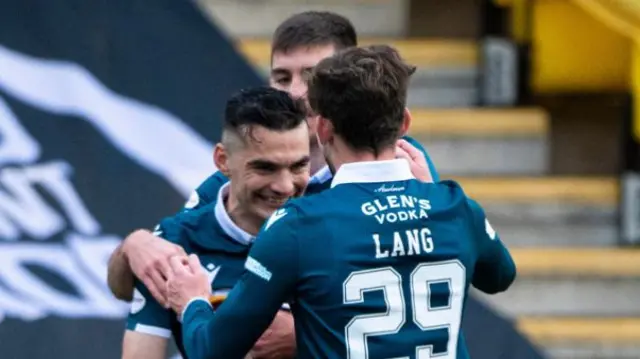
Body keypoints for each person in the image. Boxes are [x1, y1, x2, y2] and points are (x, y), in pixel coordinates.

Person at [165, 45, 517, 359]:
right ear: (405, 122)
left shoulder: (297, 225)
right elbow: (501, 276)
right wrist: (430, 190)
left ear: (322, 129)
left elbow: (211, 350)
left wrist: (193, 301)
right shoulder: (454, 206)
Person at [107, 11, 439, 308]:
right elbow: (130, 289)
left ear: (347, 80)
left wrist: (302, 334)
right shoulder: (231, 185)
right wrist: (134, 246)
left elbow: (436, 283)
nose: (294, 92)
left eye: (312, 77)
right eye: (282, 77)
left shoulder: (398, 166)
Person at [122, 86, 309, 359]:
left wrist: (302, 335)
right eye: (265, 168)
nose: (284, 186)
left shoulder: (330, 228)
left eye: (298, 166)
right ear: (223, 160)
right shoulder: (174, 244)